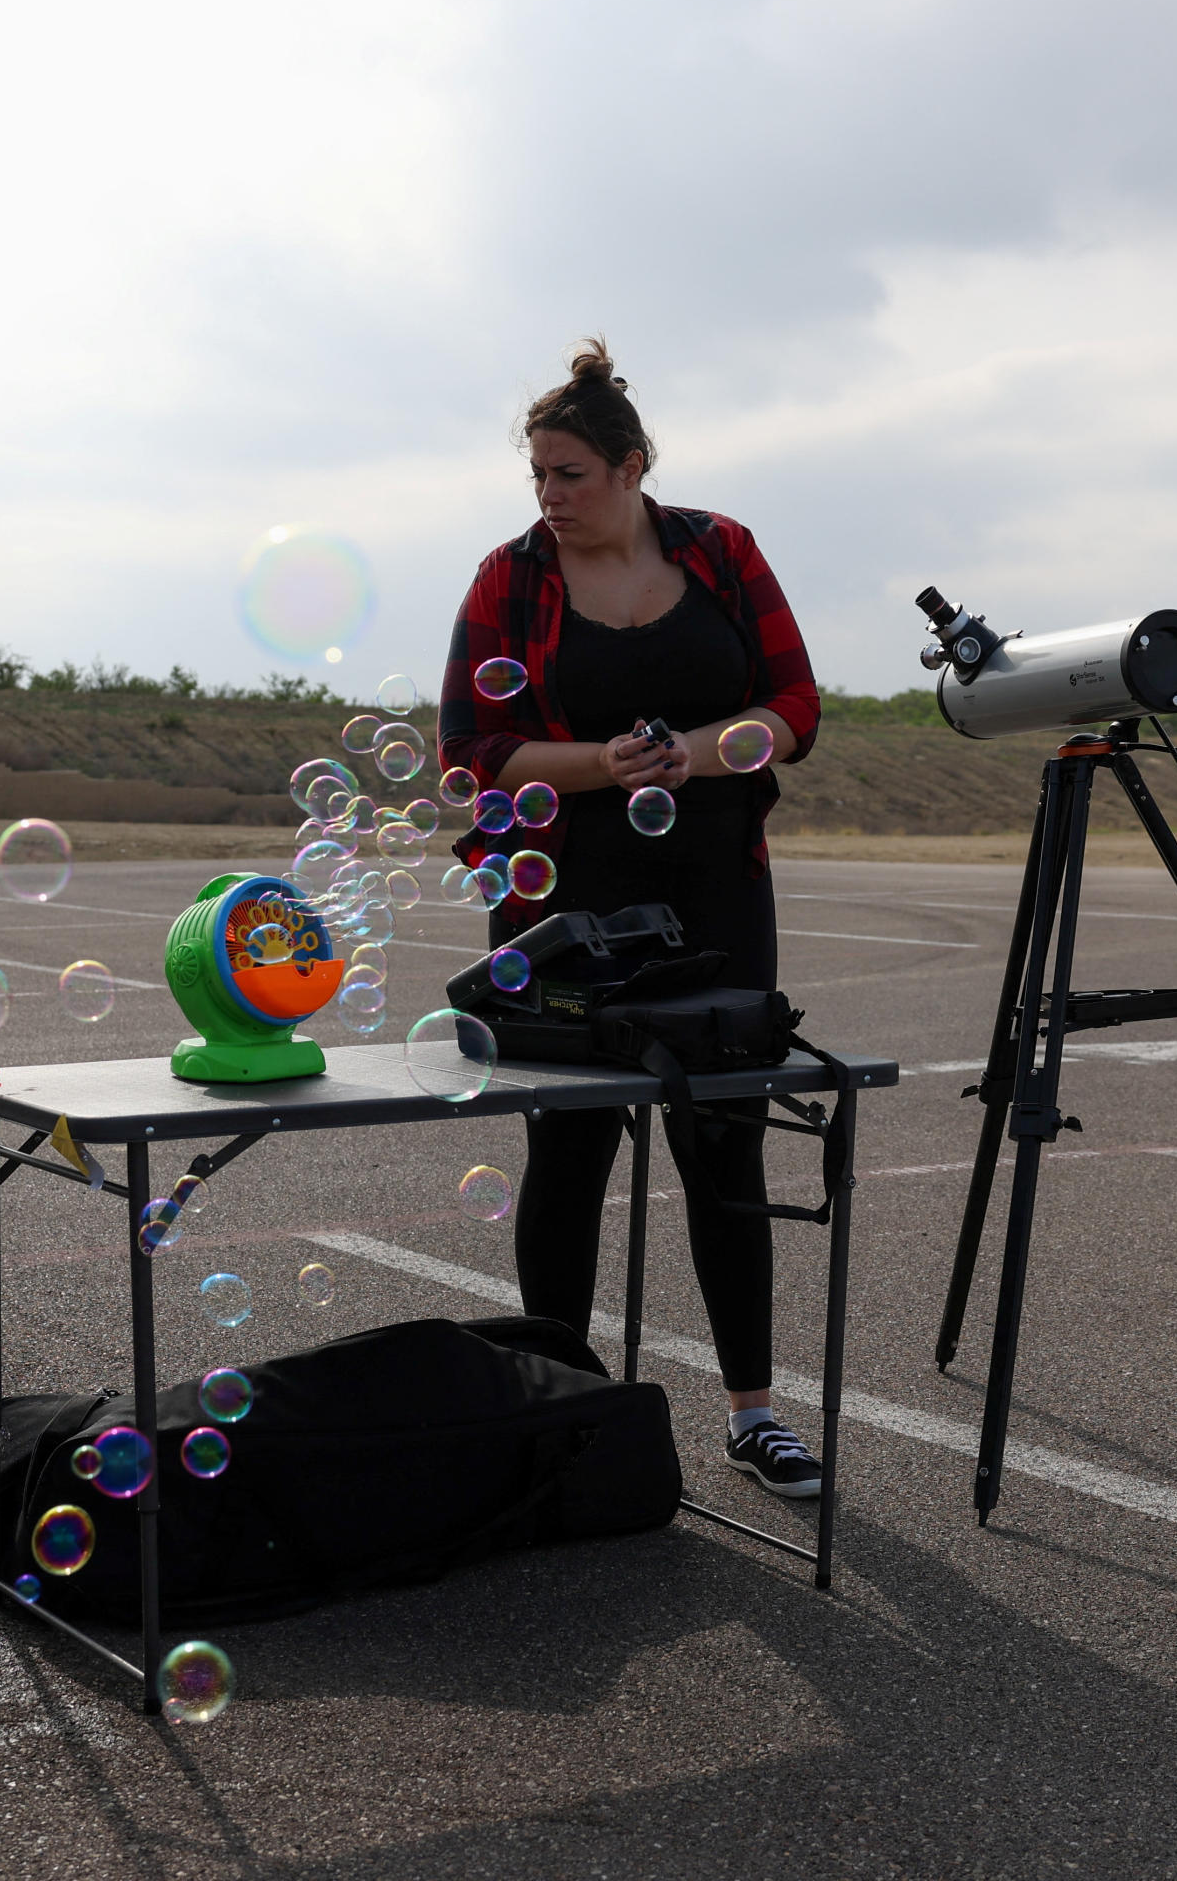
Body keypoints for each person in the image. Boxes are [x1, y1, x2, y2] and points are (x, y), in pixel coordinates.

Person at [437, 339, 825, 1495]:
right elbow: (474, 755)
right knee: (567, 1154)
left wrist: (691, 758)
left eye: (571, 475)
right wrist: (609, 766)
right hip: (556, 904)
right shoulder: (509, 579)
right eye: (539, 478)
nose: (550, 498)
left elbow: (796, 706)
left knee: (727, 1147)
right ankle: (563, 1410)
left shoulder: (720, 549)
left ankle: (754, 1414)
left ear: (633, 466)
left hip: (716, 892)